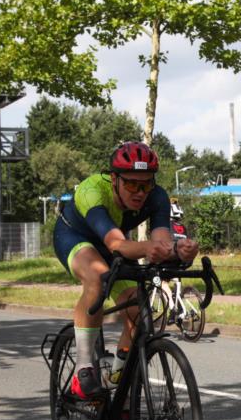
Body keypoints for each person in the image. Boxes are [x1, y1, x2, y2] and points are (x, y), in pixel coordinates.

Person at [53, 141, 200, 398]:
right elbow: (116, 244)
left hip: (117, 246)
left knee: (141, 310)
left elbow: (162, 242)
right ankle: (84, 368)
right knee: (97, 276)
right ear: (114, 179)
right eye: (131, 183)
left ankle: (117, 380)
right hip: (76, 237)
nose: (140, 192)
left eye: (145, 184)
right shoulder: (93, 191)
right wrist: (149, 248)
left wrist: (179, 251)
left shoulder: (157, 196)